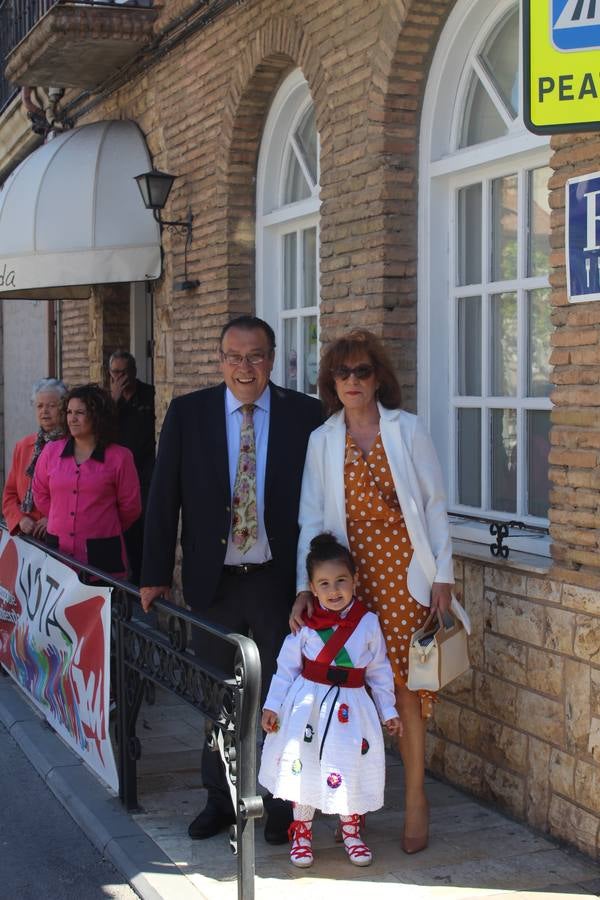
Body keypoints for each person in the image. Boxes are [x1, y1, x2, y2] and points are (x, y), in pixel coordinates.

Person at [140, 315, 323, 844]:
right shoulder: (188, 413)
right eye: (235, 356)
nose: (246, 367)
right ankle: (220, 800)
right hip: (212, 581)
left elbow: (319, 502)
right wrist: (153, 574)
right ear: (220, 360)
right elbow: (163, 497)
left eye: (256, 355)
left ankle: (280, 805)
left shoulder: (304, 415)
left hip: (276, 583)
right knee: (216, 694)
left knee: (280, 697)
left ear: (272, 358)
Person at [291, 330, 454, 855]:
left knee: (404, 690)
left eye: (363, 371)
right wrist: (305, 587)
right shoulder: (322, 439)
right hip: (345, 581)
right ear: (331, 383)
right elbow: (311, 519)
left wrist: (443, 575)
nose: (353, 381)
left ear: (379, 376)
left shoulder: (407, 430)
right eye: (343, 374)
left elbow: (433, 505)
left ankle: (414, 800)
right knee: (343, 688)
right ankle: (345, 801)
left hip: (405, 575)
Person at [259, 533, 402, 869]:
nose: (333, 590)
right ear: (311, 586)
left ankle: (351, 830)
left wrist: (388, 709)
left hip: (353, 709)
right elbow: (285, 670)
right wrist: (273, 705)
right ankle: (302, 833)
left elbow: (379, 670)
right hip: (307, 707)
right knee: (304, 765)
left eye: (341, 581)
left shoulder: (367, 623)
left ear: (355, 581)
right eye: (323, 583)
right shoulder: (304, 623)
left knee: (348, 765)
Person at [33, 383, 142, 579]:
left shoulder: (120, 457)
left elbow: (131, 507)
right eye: (69, 412)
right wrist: (60, 517)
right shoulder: (51, 451)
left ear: (96, 416)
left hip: (102, 557)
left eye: (80, 413)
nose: (72, 418)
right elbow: (40, 493)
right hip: (58, 554)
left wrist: (100, 523)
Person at [109, 350, 155, 584]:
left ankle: (143, 579)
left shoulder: (149, 394)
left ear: (134, 372)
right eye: (115, 373)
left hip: (146, 472)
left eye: (124, 372)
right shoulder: (107, 403)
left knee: (145, 525)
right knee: (125, 528)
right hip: (120, 476)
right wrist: (114, 399)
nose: (120, 378)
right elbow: (100, 430)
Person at [2, 378, 68, 538]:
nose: (44, 411)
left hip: (60, 535)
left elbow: (77, 496)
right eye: (39, 406)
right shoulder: (24, 446)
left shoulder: (73, 446)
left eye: (51, 405)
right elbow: (9, 495)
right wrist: (20, 519)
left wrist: (52, 519)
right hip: (27, 539)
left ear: (63, 408)